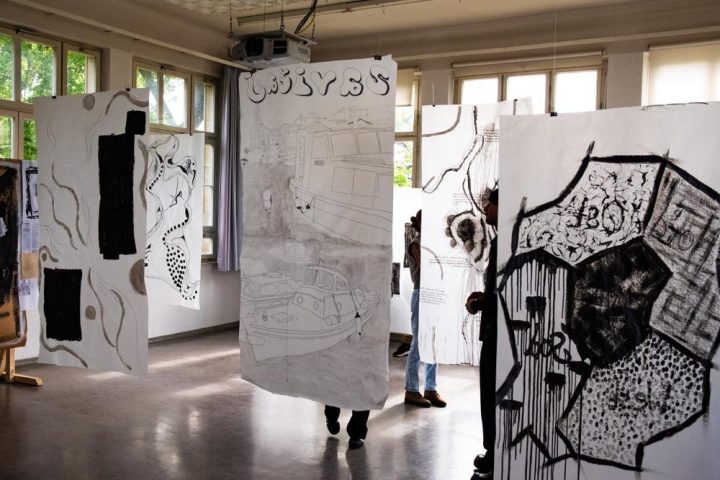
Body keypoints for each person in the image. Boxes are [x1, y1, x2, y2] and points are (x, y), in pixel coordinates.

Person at [465, 188, 499, 479]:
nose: (486, 210)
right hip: (498, 329)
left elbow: (503, 292)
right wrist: (484, 297)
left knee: (490, 392)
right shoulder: (504, 241)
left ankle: (493, 453)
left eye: (490, 205)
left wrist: (481, 302)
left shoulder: (503, 243)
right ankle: (494, 451)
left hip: (496, 331)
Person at [404, 210, 447, 408]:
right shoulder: (416, 244)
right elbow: (429, 268)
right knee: (418, 342)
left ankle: (430, 388)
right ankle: (412, 390)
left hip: (433, 294)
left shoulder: (432, 244)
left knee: (433, 342)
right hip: (422, 294)